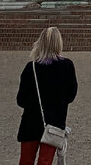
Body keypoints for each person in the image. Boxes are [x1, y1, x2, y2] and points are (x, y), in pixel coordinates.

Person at [17, 27, 78, 165]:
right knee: (45, 161)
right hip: (54, 122)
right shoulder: (67, 66)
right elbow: (71, 95)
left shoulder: (31, 67)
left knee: (26, 160)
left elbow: (21, 100)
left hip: (30, 122)